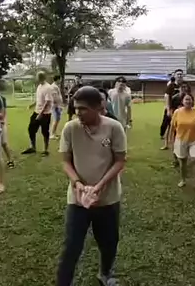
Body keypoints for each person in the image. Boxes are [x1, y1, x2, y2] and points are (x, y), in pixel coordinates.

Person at [56, 86, 127, 286]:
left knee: (109, 242)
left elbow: (120, 161)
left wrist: (100, 185)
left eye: (83, 108)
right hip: (78, 199)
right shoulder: (71, 128)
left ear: (99, 107)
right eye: (76, 108)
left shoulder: (114, 127)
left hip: (108, 197)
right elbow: (65, 162)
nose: (78, 112)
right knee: (71, 246)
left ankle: (105, 274)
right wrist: (77, 183)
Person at [171, 93, 195, 189]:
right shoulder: (177, 112)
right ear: (182, 101)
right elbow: (173, 127)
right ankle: (183, 180)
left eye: (190, 99)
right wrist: (171, 140)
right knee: (182, 161)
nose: (188, 101)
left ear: (192, 101)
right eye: (186, 99)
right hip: (180, 140)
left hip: (194, 140)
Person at [24, 71, 54, 156]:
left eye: (38, 77)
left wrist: (41, 114)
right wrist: (32, 105)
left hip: (45, 114)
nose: (37, 78)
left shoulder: (48, 87)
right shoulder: (39, 86)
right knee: (31, 129)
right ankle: (33, 147)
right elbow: (39, 99)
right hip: (36, 111)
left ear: (41, 77)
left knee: (45, 131)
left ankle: (46, 150)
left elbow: (48, 101)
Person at [160, 70, 183, 148]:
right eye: (178, 74)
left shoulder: (184, 86)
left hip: (181, 110)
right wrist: (168, 109)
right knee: (169, 126)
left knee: (179, 126)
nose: (179, 76)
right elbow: (167, 97)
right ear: (175, 76)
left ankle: (177, 143)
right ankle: (166, 144)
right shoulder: (171, 85)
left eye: (181, 74)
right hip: (171, 109)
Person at [50, 74, 65, 139]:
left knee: (57, 119)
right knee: (56, 119)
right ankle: (52, 134)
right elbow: (55, 97)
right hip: (55, 106)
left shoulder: (55, 86)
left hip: (57, 105)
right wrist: (60, 105)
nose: (61, 80)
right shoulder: (53, 87)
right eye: (60, 79)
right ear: (58, 79)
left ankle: (54, 133)